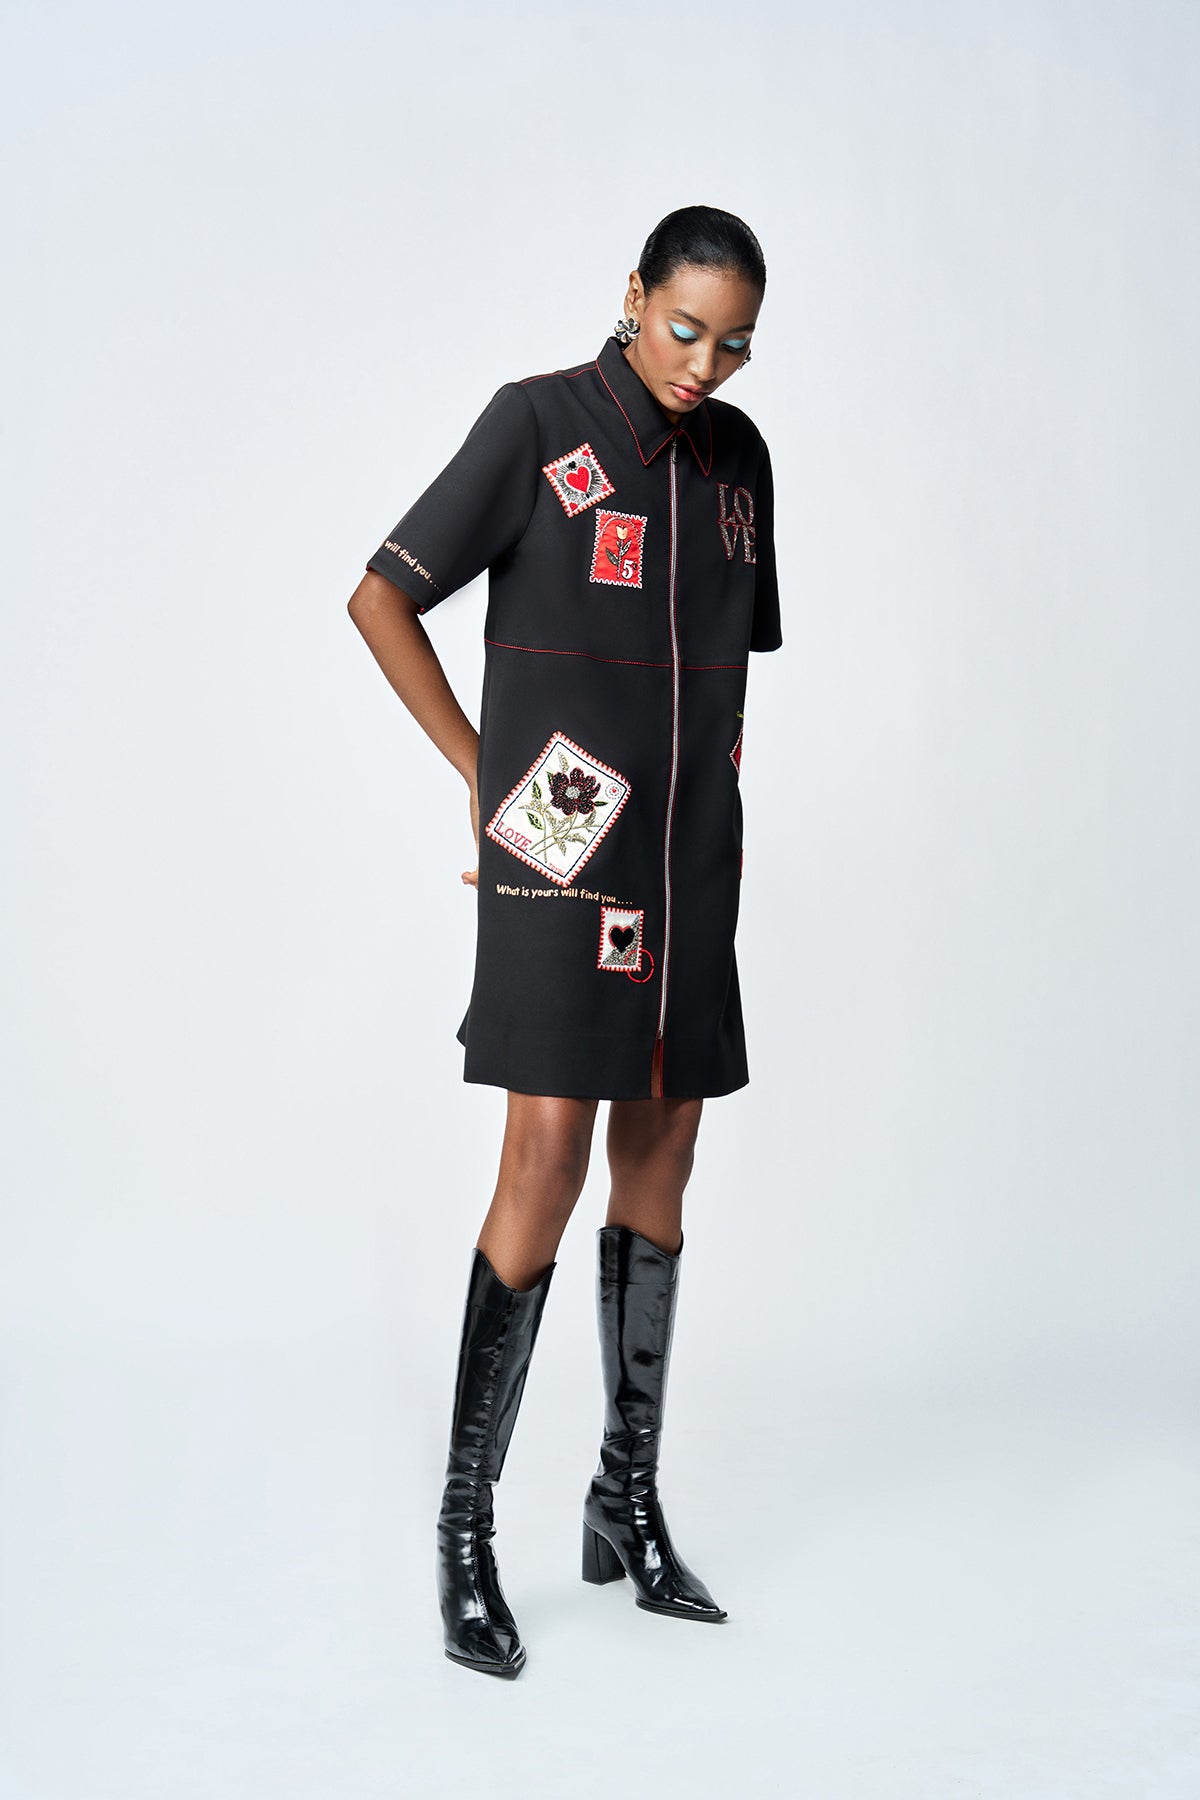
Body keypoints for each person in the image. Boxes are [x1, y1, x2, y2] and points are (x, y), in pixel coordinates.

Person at [347, 204, 782, 1679]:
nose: (703, 365)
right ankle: (465, 1532)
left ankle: (624, 1501)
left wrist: (706, 824)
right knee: (544, 1150)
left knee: (664, 1150)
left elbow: (713, 671)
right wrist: (490, 785)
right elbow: (382, 597)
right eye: (684, 329)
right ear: (634, 296)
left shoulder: (740, 464)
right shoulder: (537, 426)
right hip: (561, 840)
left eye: (734, 345)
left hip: (689, 856)